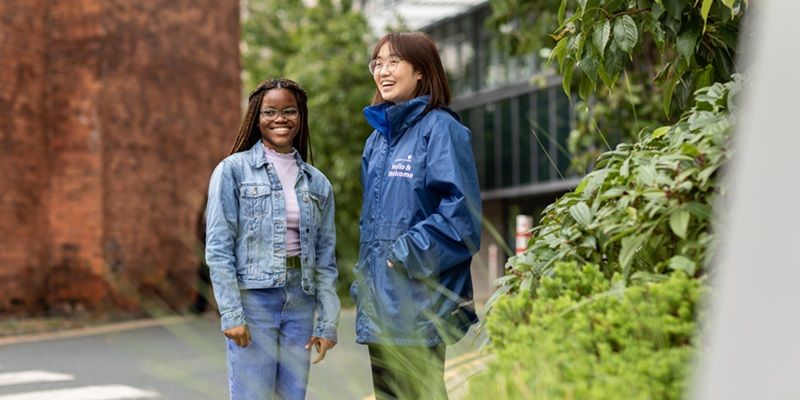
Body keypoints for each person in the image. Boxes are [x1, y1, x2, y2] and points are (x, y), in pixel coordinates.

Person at [352, 31, 482, 400]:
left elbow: (462, 217)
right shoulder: (376, 142)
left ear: (421, 71)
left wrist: (404, 252)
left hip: (418, 302)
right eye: (377, 63)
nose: (383, 71)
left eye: (394, 61)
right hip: (379, 304)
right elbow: (371, 224)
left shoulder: (441, 129)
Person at [205, 78, 340, 400]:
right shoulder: (232, 171)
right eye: (271, 112)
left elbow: (326, 259)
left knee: (292, 395)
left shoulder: (318, 183)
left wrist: (328, 322)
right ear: (257, 117)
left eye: (289, 111)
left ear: (301, 116)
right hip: (254, 300)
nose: (281, 118)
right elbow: (219, 248)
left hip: (301, 300)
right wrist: (232, 313)